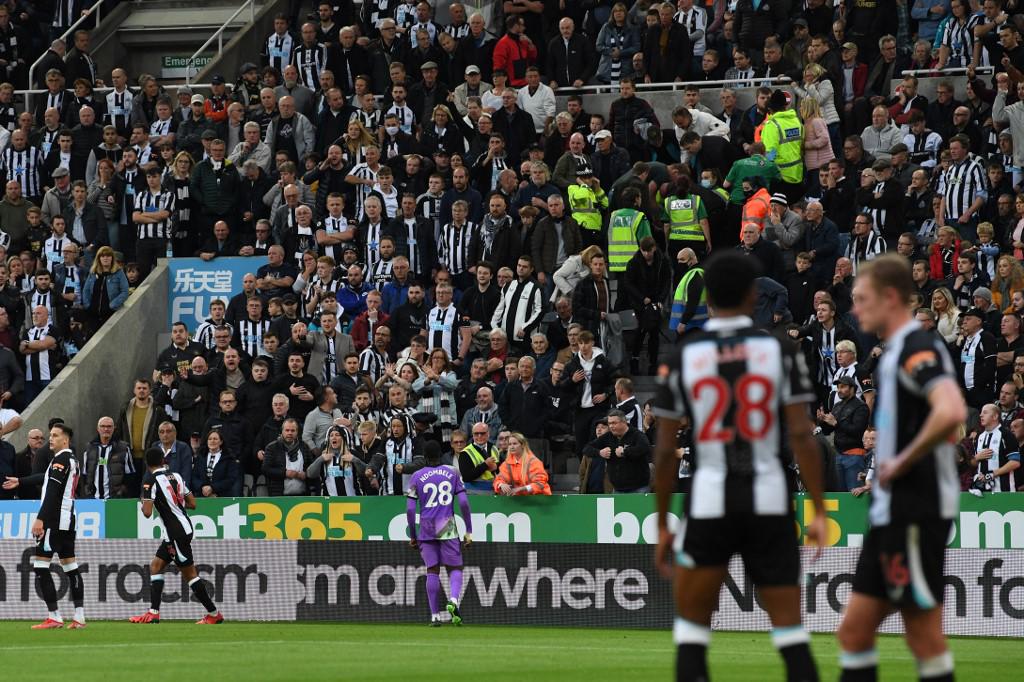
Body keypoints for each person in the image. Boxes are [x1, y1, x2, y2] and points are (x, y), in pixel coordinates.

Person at [652, 251, 826, 682]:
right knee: (790, 632)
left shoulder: (684, 354)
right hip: (768, 495)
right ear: (754, 296)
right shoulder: (779, 348)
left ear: (707, 298)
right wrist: (819, 510)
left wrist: (661, 522)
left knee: (692, 628)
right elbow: (804, 436)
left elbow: (662, 450)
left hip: (709, 496)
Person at [836, 255, 965, 682]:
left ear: (890, 298)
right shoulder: (893, 354)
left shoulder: (917, 348)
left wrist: (902, 461)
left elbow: (950, 411)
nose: (855, 310)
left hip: (914, 509)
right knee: (855, 632)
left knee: (922, 632)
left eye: (862, 299)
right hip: (893, 512)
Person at [128, 447, 224, 625]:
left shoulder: (150, 479)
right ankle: (153, 613)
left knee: (190, 575)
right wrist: (173, 505)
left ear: (147, 464)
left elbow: (147, 512)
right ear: (163, 460)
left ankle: (214, 614)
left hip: (175, 532)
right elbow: (193, 503)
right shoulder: (177, 476)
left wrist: (144, 503)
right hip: (182, 527)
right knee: (156, 566)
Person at [407, 440, 473, 626]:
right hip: (446, 524)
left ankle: (435, 616)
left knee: (432, 570)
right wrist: (468, 530)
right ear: (441, 455)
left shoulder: (417, 476)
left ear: (425, 457)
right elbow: (464, 503)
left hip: (426, 526)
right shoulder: (453, 472)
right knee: (455, 569)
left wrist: (413, 535)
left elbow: (411, 510)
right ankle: (453, 600)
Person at [29, 423, 87, 629]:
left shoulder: (61, 459)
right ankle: (79, 617)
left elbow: (52, 491)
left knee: (40, 567)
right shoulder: (73, 459)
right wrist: (21, 480)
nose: (50, 439)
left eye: (55, 435)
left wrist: (40, 519)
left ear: (66, 439)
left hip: (53, 520)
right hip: (68, 520)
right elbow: (48, 482)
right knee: (71, 567)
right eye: (50, 435)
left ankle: (54, 616)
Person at [492, 431, 550, 495]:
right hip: (519, 499)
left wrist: (522, 489)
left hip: (539, 499)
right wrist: (501, 484)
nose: (512, 447)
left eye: (515, 444)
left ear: (522, 445)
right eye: (510, 444)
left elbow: (540, 483)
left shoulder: (533, 462)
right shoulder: (507, 464)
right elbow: (498, 479)